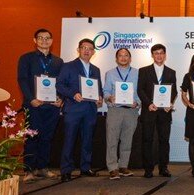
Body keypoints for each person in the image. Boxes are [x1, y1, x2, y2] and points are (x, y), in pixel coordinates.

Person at [17, 28, 64, 182]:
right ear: (34, 40)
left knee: (47, 138)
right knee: (31, 137)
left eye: (47, 38)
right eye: (40, 37)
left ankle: (43, 168)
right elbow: (22, 80)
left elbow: (62, 83)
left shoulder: (58, 61)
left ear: (51, 41)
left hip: (51, 106)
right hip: (34, 105)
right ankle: (29, 170)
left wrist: (60, 99)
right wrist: (31, 99)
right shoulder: (26, 58)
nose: (44, 40)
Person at [56, 38, 103, 182]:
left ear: (93, 52)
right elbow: (59, 85)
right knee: (69, 140)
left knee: (87, 140)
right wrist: (72, 94)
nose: (87, 50)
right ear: (78, 49)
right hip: (73, 109)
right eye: (84, 47)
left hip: (90, 110)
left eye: (90, 48)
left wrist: (99, 97)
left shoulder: (96, 69)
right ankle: (66, 170)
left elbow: (98, 88)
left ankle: (85, 167)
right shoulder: (68, 66)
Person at [137, 44, 178, 178]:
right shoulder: (143, 70)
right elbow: (140, 90)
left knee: (164, 141)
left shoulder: (171, 72)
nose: (159, 55)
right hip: (149, 111)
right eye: (156, 53)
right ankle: (148, 169)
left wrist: (170, 103)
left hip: (164, 112)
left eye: (161, 53)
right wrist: (148, 103)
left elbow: (174, 91)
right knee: (147, 140)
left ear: (165, 55)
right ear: (152, 55)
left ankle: (163, 168)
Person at [103, 48, 140, 180]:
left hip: (131, 111)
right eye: (120, 55)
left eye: (126, 56)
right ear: (116, 58)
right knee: (112, 140)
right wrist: (109, 98)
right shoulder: (110, 73)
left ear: (130, 58)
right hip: (115, 110)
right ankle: (112, 168)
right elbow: (106, 91)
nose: (123, 58)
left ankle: (123, 166)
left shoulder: (137, 73)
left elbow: (140, 93)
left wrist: (138, 103)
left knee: (127, 140)